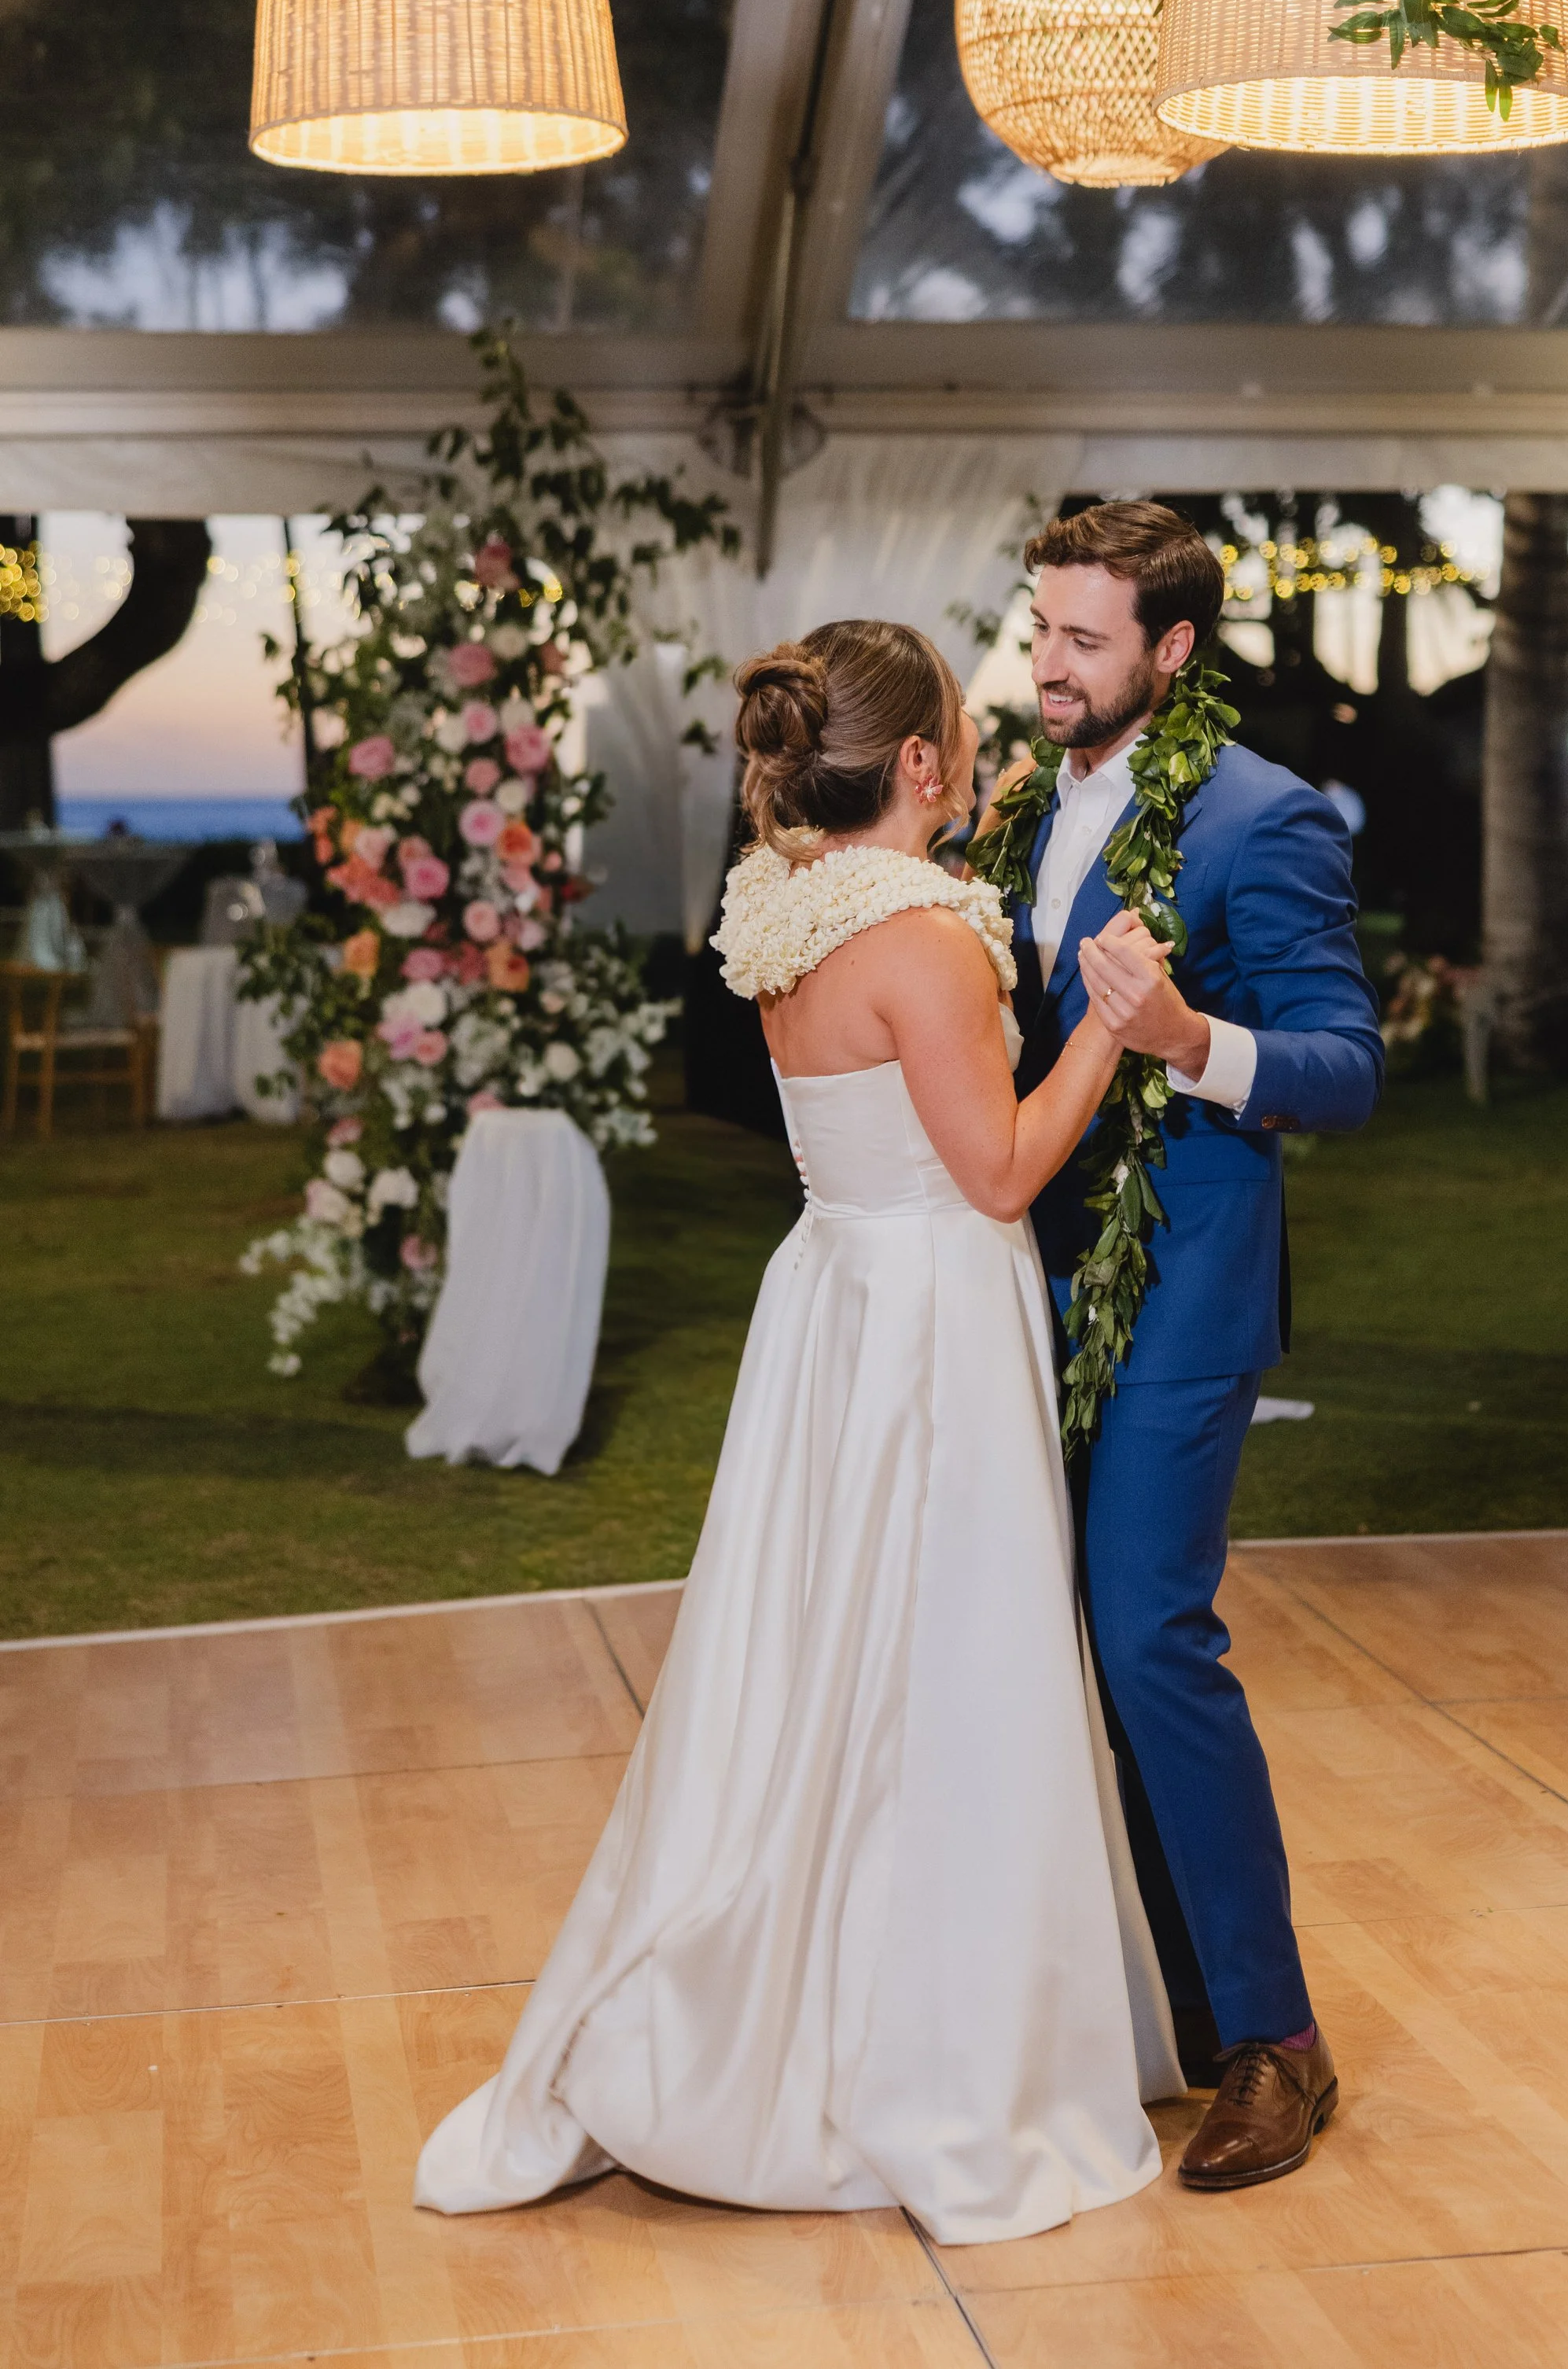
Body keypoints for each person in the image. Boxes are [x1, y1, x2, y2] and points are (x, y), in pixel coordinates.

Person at [412, 616, 1184, 2247]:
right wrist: (1114, 1023)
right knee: (942, 1669)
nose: (974, 753)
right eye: (958, 735)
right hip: (929, 1322)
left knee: (814, 1664)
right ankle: (926, 2040)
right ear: (917, 764)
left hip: (833, 1296)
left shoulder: (772, 910)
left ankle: (778, 1990)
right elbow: (997, 1169)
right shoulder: (919, 933)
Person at [994, 499, 1383, 2193]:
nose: (1046, 662)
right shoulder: (1025, 803)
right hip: (1032, 1274)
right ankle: (1174, 1996)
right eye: (1039, 627)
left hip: (1183, 1285)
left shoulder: (1261, 815)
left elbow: (1346, 1062)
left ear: (1169, 648)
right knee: (1077, 1631)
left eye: (1083, 638)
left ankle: (1273, 2041)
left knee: (1150, 1629)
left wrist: (1186, 1035)